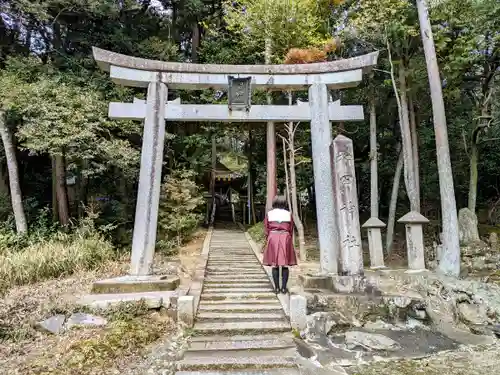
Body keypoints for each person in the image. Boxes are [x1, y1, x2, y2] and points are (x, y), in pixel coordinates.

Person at [263, 195, 297, 294]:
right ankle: (284, 288)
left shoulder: (269, 214)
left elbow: (267, 228)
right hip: (285, 237)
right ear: (284, 203)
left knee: (275, 264)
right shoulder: (288, 214)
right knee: (285, 264)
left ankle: (276, 288)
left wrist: (268, 238)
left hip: (273, 237)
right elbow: (290, 229)